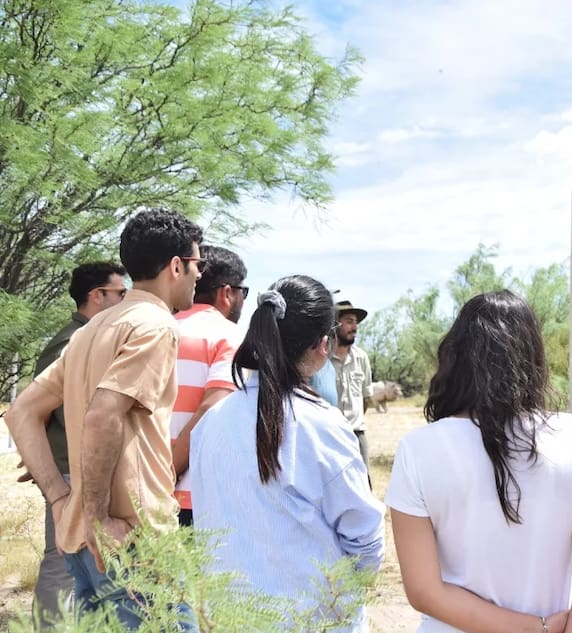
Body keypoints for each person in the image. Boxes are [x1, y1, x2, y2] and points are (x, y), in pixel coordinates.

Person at [4, 208, 204, 629]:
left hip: (83, 539)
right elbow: (102, 416)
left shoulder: (89, 331)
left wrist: (63, 500)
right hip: (132, 538)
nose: (199, 276)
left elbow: (22, 411)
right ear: (175, 266)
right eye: (196, 264)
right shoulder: (154, 325)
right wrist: (99, 518)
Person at [386, 290, 572, 633]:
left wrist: (534, 629)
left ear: (456, 355)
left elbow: (424, 590)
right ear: (533, 356)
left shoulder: (418, 449)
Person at [189, 276, 385, 631]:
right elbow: (365, 538)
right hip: (311, 620)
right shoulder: (321, 425)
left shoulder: (211, 422)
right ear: (323, 344)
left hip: (228, 618)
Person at [23, 261, 127, 626]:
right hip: (69, 472)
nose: (127, 300)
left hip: (73, 470)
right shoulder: (74, 341)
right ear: (97, 296)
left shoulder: (84, 337)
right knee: (63, 563)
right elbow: (61, 413)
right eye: (121, 293)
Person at [170, 244, 248, 526]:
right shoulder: (228, 335)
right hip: (196, 495)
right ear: (227, 293)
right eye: (244, 292)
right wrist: (169, 472)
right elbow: (211, 410)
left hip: (142, 493)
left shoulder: (158, 328)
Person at [332, 300, 373, 469]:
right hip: (330, 434)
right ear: (335, 324)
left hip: (357, 434)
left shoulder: (361, 357)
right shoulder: (321, 358)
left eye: (356, 322)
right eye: (349, 321)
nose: (354, 327)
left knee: (364, 486)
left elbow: (366, 399)